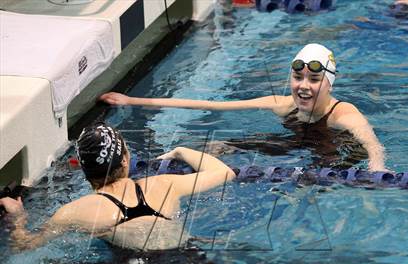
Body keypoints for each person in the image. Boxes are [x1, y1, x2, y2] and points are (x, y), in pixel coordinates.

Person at [99, 43, 387, 171]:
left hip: (338, 158)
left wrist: (376, 169)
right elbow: (211, 104)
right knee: (217, 146)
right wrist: (131, 100)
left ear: (329, 84)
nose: (303, 85)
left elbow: (372, 145)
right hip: (296, 146)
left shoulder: (343, 114)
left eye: (314, 79)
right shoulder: (282, 105)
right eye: (298, 77)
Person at [0, 123, 236, 251]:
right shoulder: (164, 184)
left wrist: (17, 216)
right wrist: (180, 151)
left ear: (84, 169)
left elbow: (24, 245)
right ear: (125, 159)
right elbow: (224, 172)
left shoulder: (73, 212)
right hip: (191, 256)